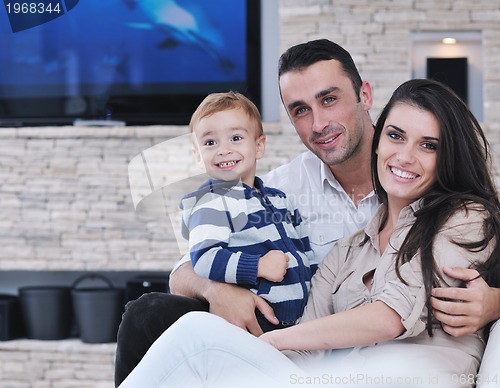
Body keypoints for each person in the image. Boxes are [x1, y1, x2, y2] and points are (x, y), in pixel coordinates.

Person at [114, 39, 500, 386]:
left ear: (365, 97)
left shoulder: (459, 216)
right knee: (154, 315)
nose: (318, 123)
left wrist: (496, 301)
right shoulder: (294, 201)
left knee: (194, 338)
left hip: (396, 371)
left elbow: (390, 315)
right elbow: (189, 268)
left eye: (329, 99)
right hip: (320, 361)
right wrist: (218, 292)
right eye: (300, 110)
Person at [180, 91, 313, 331]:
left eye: (236, 138)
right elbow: (204, 258)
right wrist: (258, 266)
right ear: (198, 157)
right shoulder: (211, 201)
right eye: (210, 142)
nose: (223, 149)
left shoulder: (280, 199)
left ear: (259, 146)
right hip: (253, 322)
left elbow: (306, 250)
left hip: (299, 323)